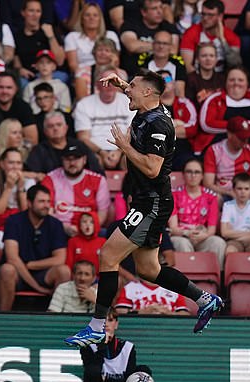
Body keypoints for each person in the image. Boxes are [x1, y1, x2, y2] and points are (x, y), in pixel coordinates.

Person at [65, 69, 223, 348]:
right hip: (146, 200)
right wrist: (122, 83)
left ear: (147, 93)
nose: (128, 91)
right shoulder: (150, 106)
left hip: (152, 203)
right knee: (149, 270)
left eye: (133, 87)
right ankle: (205, 299)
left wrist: (126, 147)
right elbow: (144, 92)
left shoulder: (160, 125)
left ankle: (98, 326)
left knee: (108, 255)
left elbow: (152, 168)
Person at [0, 184, 70, 311]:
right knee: (7, 269)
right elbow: (12, 258)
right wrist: (38, 288)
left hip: (42, 273)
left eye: (48, 201)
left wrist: (31, 265)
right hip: (17, 274)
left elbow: (59, 259)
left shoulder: (56, 224)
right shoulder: (14, 221)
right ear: (29, 203)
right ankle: (3, 318)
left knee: (63, 271)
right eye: (41, 201)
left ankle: (57, 318)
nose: (46, 205)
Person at [203, 116, 250, 207]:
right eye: (241, 138)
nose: (245, 141)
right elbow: (208, 184)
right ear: (229, 134)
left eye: (247, 137)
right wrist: (229, 192)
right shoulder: (214, 151)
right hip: (223, 192)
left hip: (246, 194)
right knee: (215, 199)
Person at [41, 143, 111, 236]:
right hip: (58, 229)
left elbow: (102, 213)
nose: (72, 163)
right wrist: (64, 228)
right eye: (68, 159)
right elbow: (47, 211)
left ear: (84, 160)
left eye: (76, 158)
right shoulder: (50, 178)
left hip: (89, 230)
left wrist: (86, 229)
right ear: (62, 160)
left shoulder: (98, 180)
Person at [73, 66, 136, 169]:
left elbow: (132, 132)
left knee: (130, 160)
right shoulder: (84, 104)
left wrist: (120, 151)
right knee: (94, 160)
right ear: (97, 84)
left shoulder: (129, 102)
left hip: (123, 149)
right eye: (105, 81)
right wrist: (101, 152)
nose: (109, 85)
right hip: (95, 151)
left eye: (112, 81)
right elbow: (83, 138)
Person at [168, 158, 226, 266]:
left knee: (218, 243)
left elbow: (211, 230)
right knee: (182, 243)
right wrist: (187, 233)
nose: (193, 175)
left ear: (202, 175)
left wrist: (202, 235)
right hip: (182, 235)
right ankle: (187, 280)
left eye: (197, 172)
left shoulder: (211, 196)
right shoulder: (174, 194)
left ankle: (216, 280)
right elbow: (173, 228)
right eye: (189, 171)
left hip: (202, 236)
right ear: (183, 174)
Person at [80, 308, 141, 382]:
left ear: (116, 324)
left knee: (143, 369)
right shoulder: (88, 345)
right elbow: (92, 370)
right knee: (92, 371)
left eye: (110, 320)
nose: (106, 324)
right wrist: (102, 345)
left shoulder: (127, 347)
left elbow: (130, 375)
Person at [65, 2, 120, 100]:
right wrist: (89, 73)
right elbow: (73, 65)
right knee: (81, 76)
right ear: (82, 18)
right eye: (87, 15)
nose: (91, 18)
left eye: (95, 15)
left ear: (100, 18)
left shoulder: (111, 35)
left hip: (108, 71)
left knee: (119, 75)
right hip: (83, 75)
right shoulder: (72, 36)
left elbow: (116, 61)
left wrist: (102, 72)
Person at [0, 147, 34, 252]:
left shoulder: (29, 183)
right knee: (1, 241)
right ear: (2, 164)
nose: (15, 167)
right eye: (11, 163)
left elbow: (28, 214)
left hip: (22, 227)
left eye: (18, 163)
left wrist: (21, 189)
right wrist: (8, 188)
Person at [25, 111, 101, 181]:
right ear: (45, 131)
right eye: (51, 126)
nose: (55, 128)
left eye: (59, 125)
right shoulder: (39, 150)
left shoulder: (79, 145)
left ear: (66, 128)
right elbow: (31, 174)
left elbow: (97, 172)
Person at [119, 0, 179, 77]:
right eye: (154, 8)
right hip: (134, 73)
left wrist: (143, 45)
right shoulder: (130, 25)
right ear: (143, 12)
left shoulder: (169, 27)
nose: (159, 11)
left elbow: (173, 50)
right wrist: (162, 46)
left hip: (164, 74)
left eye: (161, 7)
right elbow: (132, 46)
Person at [179, 0, 241, 73]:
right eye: (203, 14)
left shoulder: (231, 36)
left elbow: (236, 64)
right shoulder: (191, 32)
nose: (205, 18)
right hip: (197, 78)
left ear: (220, 16)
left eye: (210, 15)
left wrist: (222, 40)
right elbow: (187, 66)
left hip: (222, 79)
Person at [11, 0, 64, 85]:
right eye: (31, 11)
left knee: (61, 77)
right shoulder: (17, 36)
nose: (35, 15)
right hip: (29, 76)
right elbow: (17, 63)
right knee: (20, 82)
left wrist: (51, 37)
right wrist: (21, 70)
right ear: (23, 13)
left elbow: (60, 61)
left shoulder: (50, 30)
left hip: (50, 74)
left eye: (38, 11)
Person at [220, 172, 250, 254]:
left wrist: (234, 234)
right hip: (234, 241)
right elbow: (224, 232)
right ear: (234, 190)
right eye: (239, 188)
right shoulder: (227, 206)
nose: (243, 192)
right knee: (230, 251)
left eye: (246, 189)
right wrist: (249, 233)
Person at [137, 30, 187, 98]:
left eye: (165, 43)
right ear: (153, 44)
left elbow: (180, 93)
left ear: (171, 47)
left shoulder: (178, 64)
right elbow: (140, 90)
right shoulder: (144, 63)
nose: (161, 46)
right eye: (158, 43)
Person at [22, 49, 71, 114]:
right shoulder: (30, 86)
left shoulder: (62, 86)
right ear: (36, 66)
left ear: (54, 66)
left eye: (48, 62)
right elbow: (25, 109)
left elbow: (66, 108)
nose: (44, 65)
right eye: (41, 62)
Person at [115, 278, 191, 315]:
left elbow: (185, 314)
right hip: (140, 327)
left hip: (168, 327)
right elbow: (119, 311)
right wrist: (141, 312)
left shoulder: (174, 288)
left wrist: (169, 313)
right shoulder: (130, 287)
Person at [185, 42, 223, 112]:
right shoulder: (191, 79)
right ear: (197, 59)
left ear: (216, 59)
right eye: (204, 56)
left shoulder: (222, 79)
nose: (208, 59)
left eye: (211, 56)